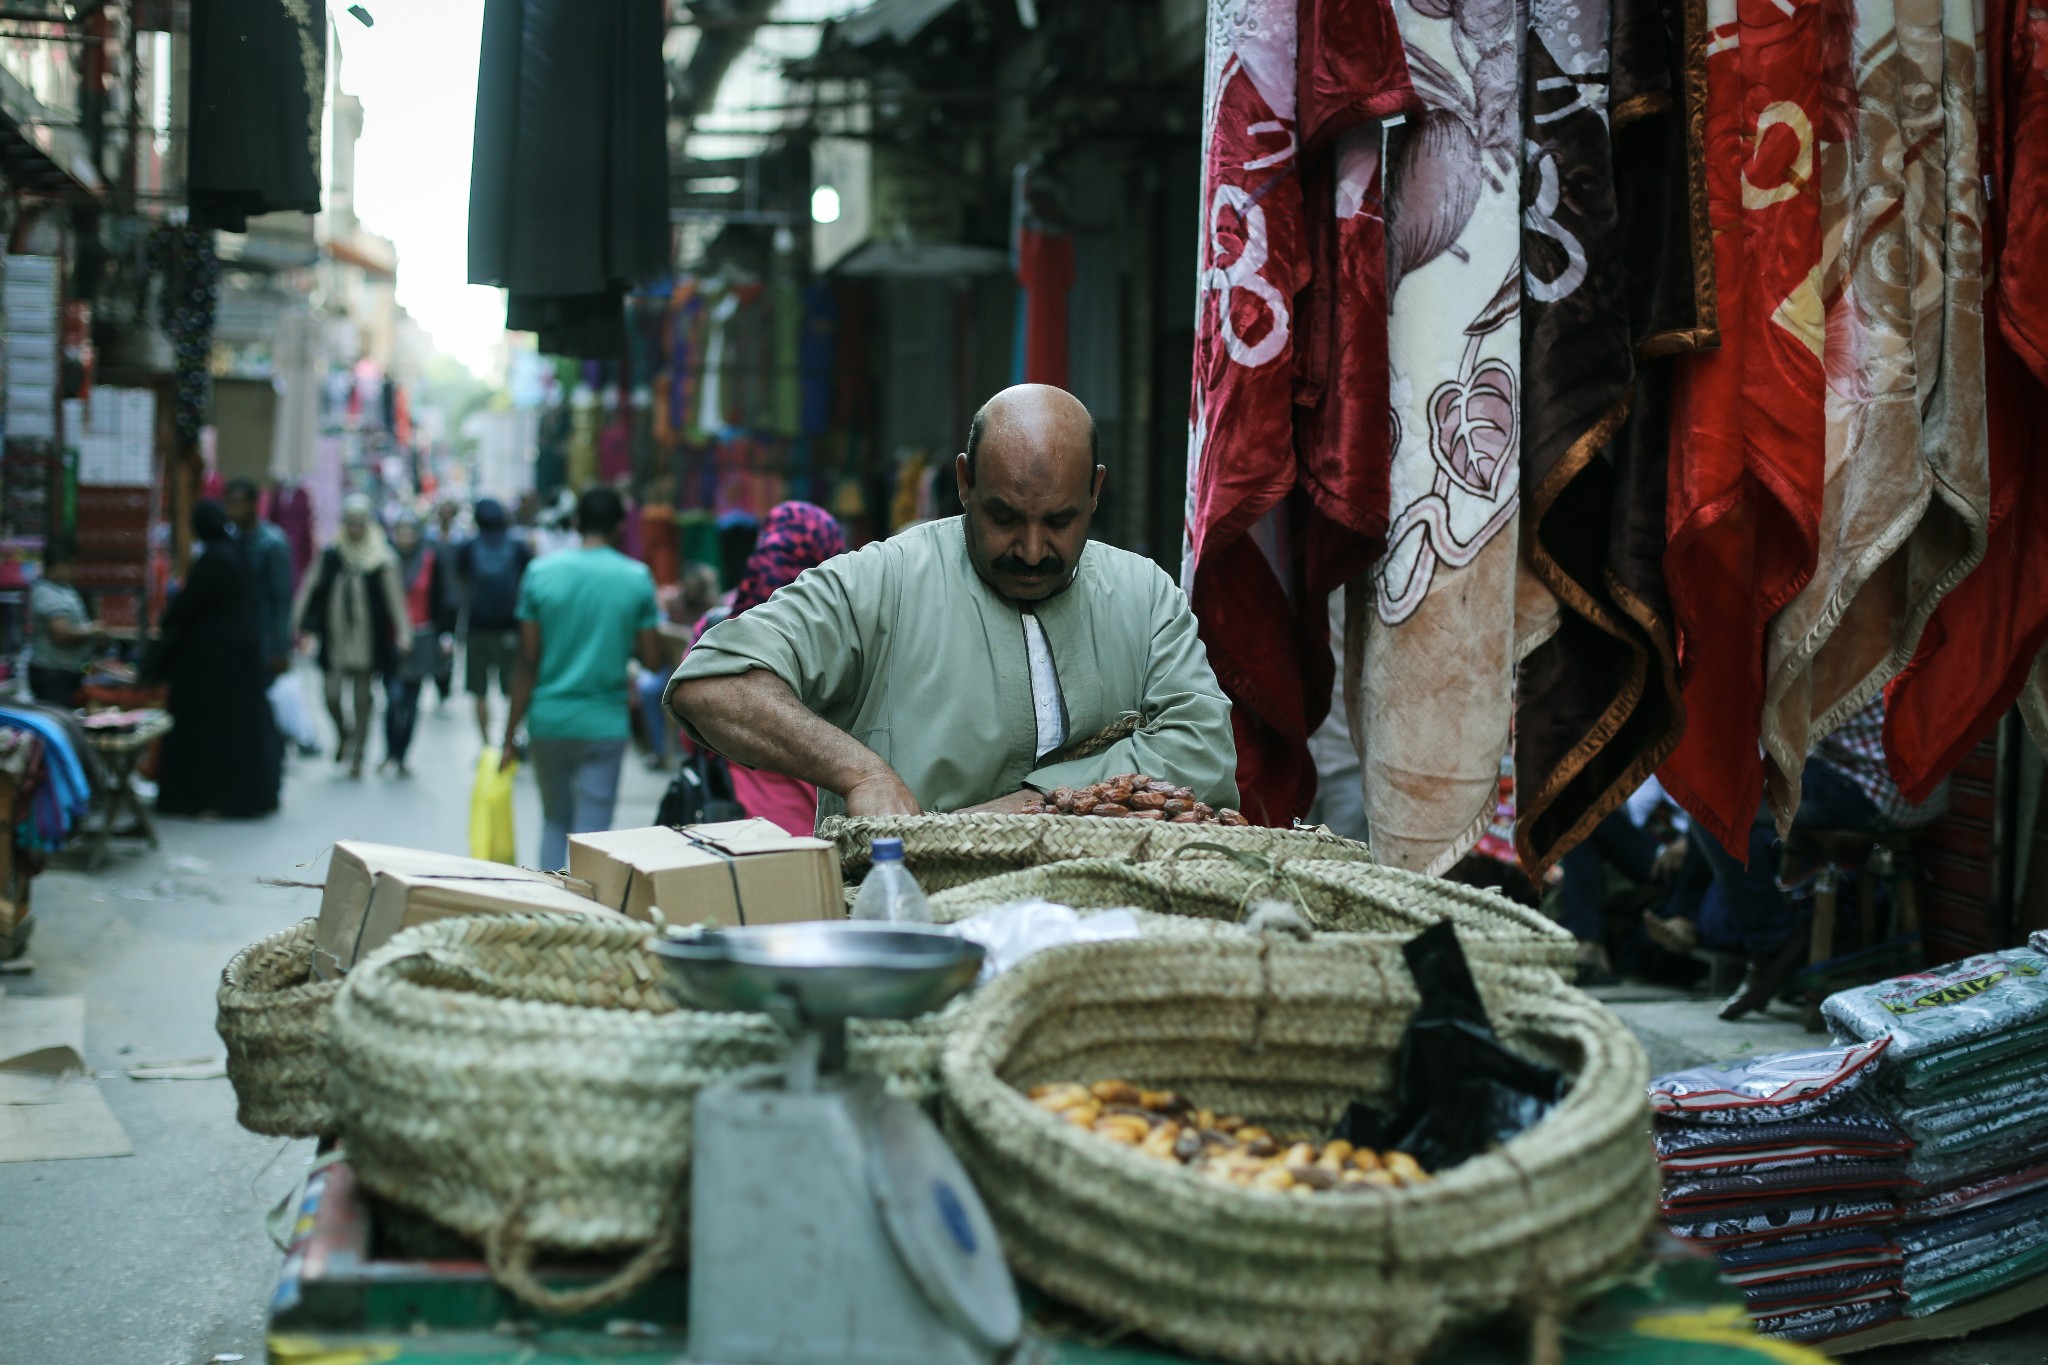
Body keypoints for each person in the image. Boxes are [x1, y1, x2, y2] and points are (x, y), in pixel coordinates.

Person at [667, 384, 1238, 821]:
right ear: (964, 484)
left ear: (1095, 491)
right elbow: (712, 684)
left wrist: (1017, 811)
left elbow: (1204, 753)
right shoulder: (885, 580)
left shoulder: (1147, 594)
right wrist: (863, 776)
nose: (1034, 550)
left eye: (1060, 521)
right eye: (1004, 517)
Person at [1703, 695, 1949, 1021]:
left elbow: (1775, 726)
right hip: (1919, 789)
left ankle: (1773, 944)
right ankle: (1776, 940)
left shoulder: (1836, 648)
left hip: (1875, 789)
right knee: (1732, 784)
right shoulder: (1891, 643)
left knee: (1714, 809)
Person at [502, 485, 662, 869]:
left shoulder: (540, 572)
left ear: (576, 523)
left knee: (554, 822)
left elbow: (527, 662)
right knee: (592, 837)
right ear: (621, 527)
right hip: (604, 724)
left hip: (548, 720)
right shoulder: (636, 577)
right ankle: (586, 921)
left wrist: (509, 735)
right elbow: (654, 658)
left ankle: (548, 913)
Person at [695, 503, 846, 830]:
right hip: (832, 820)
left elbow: (691, 729)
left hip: (739, 822)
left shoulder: (714, 628)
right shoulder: (844, 634)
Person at [151, 502, 280, 817]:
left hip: (210, 667)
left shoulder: (214, 558)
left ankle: (204, 798)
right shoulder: (235, 552)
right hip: (237, 664)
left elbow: (186, 608)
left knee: (205, 733)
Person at [294, 494, 408, 778]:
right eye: (350, 522)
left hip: (367, 639)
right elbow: (310, 587)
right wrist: (297, 622)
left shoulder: (381, 557)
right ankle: (344, 734)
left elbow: (395, 600)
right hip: (336, 637)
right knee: (330, 694)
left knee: (362, 699)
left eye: (360, 522)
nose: (355, 528)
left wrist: (404, 632)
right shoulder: (332, 554)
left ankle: (358, 753)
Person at [382, 513, 455, 776]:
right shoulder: (385, 560)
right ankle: (389, 750)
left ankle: (402, 756)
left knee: (411, 700)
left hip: (424, 635)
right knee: (393, 697)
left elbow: (445, 597)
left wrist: (446, 634)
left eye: (409, 532)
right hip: (392, 637)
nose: (405, 538)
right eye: (400, 532)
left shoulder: (430, 557)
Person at [457, 497, 532, 745]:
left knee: (478, 691)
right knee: (514, 687)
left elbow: (462, 584)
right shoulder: (518, 546)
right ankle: (510, 738)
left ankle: (486, 744)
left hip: (477, 627)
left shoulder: (468, 547)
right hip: (511, 627)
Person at [223, 478, 295, 677]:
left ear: (253, 504)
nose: (233, 510)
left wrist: (281, 649)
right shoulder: (229, 540)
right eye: (229, 503)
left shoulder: (273, 543)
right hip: (235, 635)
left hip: (264, 637)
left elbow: (282, 599)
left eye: (239, 503)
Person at [27, 535, 100, 706]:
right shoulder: (46, 593)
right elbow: (61, 635)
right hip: (53, 675)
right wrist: (93, 631)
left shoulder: (62, 588)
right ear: (59, 563)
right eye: (72, 564)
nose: (75, 569)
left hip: (66, 672)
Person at [426, 498, 468, 705]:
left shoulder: (461, 539)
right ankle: (439, 680)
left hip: (453, 599)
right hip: (432, 599)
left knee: (449, 642)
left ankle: (445, 683)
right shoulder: (429, 538)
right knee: (435, 641)